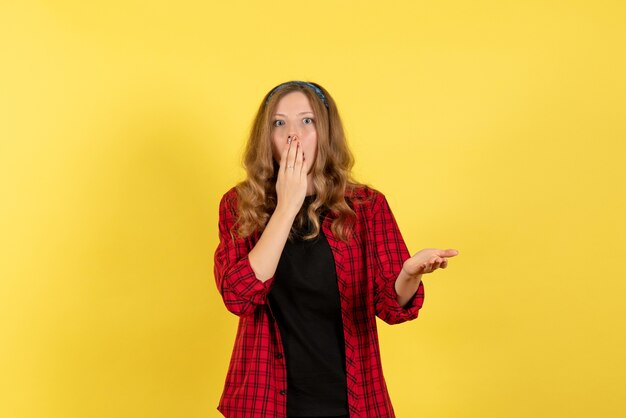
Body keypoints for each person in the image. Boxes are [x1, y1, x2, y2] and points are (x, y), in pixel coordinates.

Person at [213, 80, 459, 418]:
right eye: (279, 123)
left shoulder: (368, 206)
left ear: (325, 131)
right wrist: (286, 206)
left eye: (307, 120)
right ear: (266, 137)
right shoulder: (239, 204)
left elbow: (390, 306)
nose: (292, 135)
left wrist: (408, 273)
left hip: (353, 402)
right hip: (265, 402)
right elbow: (238, 295)